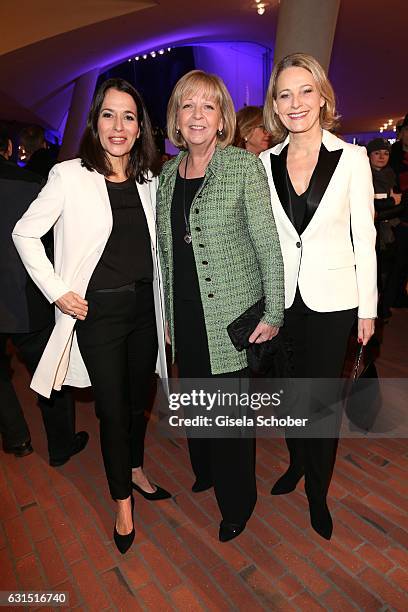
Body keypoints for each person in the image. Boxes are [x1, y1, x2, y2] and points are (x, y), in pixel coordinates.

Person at [12, 78, 170, 555]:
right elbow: (24, 234)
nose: (118, 126)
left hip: (146, 309)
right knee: (111, 408)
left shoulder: (149, 179)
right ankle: (122, 502)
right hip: (98, 313)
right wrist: (58, 292)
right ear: (94, 121)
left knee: (139, 400)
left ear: (139, 125)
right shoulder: (69, 175)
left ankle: (136, 468)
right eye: (108, 114)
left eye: (128, 116)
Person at [157, 70, 284, 542]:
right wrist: (168, 316)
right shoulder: (169, 173)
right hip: (186, 313)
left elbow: (268, 245)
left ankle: (237, 503)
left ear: (222, 117)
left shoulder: (242, 167)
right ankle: (204, 469)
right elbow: (167, 253)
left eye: (208, 106)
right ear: (176, 116)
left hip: (230, 317)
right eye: (188, 105)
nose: (197, 115)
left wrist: (273, 314)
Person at [260, 53, 377, 540]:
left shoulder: (352, 158)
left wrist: (368, 309)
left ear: (323, 96)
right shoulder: (264, 163)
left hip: (334, 301)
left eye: (305, 91)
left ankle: (317, 493)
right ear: (275, 105)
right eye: (284, 94)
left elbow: (365, 239)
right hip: (283, 301)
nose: (296, 102)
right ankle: (295, 464)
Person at [0, 123, 87, 464]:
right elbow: (53, 242)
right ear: (9, 147)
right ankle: (61, 445)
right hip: (26, 298)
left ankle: (17, 438)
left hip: (20, 298)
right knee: (51, 373)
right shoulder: (30, 185)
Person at [366, 138, 406, 319]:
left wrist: (382, 209)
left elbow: (401, 204)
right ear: (369, 155)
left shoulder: (391, 174)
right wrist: (389, 203)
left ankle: (383, 308)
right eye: (377, 153)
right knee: (373, 275)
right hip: (371, 234)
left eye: (386, 153)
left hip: (390, 234)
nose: (382, 156)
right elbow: (366, 207)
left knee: (389, 274)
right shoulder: (363, 174)